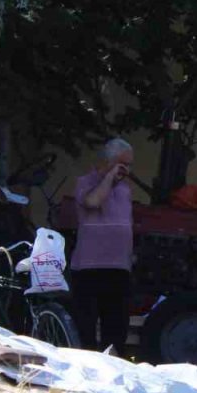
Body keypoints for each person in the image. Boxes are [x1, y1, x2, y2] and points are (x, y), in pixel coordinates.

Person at [70, 137, 136, 355]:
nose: (126, 170)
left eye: (129, 165)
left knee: (116, 330)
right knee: (86, 328)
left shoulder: (125, 189)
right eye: (122, 164)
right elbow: (93, 202)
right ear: (108, 162)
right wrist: (109, 177)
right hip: (90, 267)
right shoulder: (86, 182)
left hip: (118, 267)